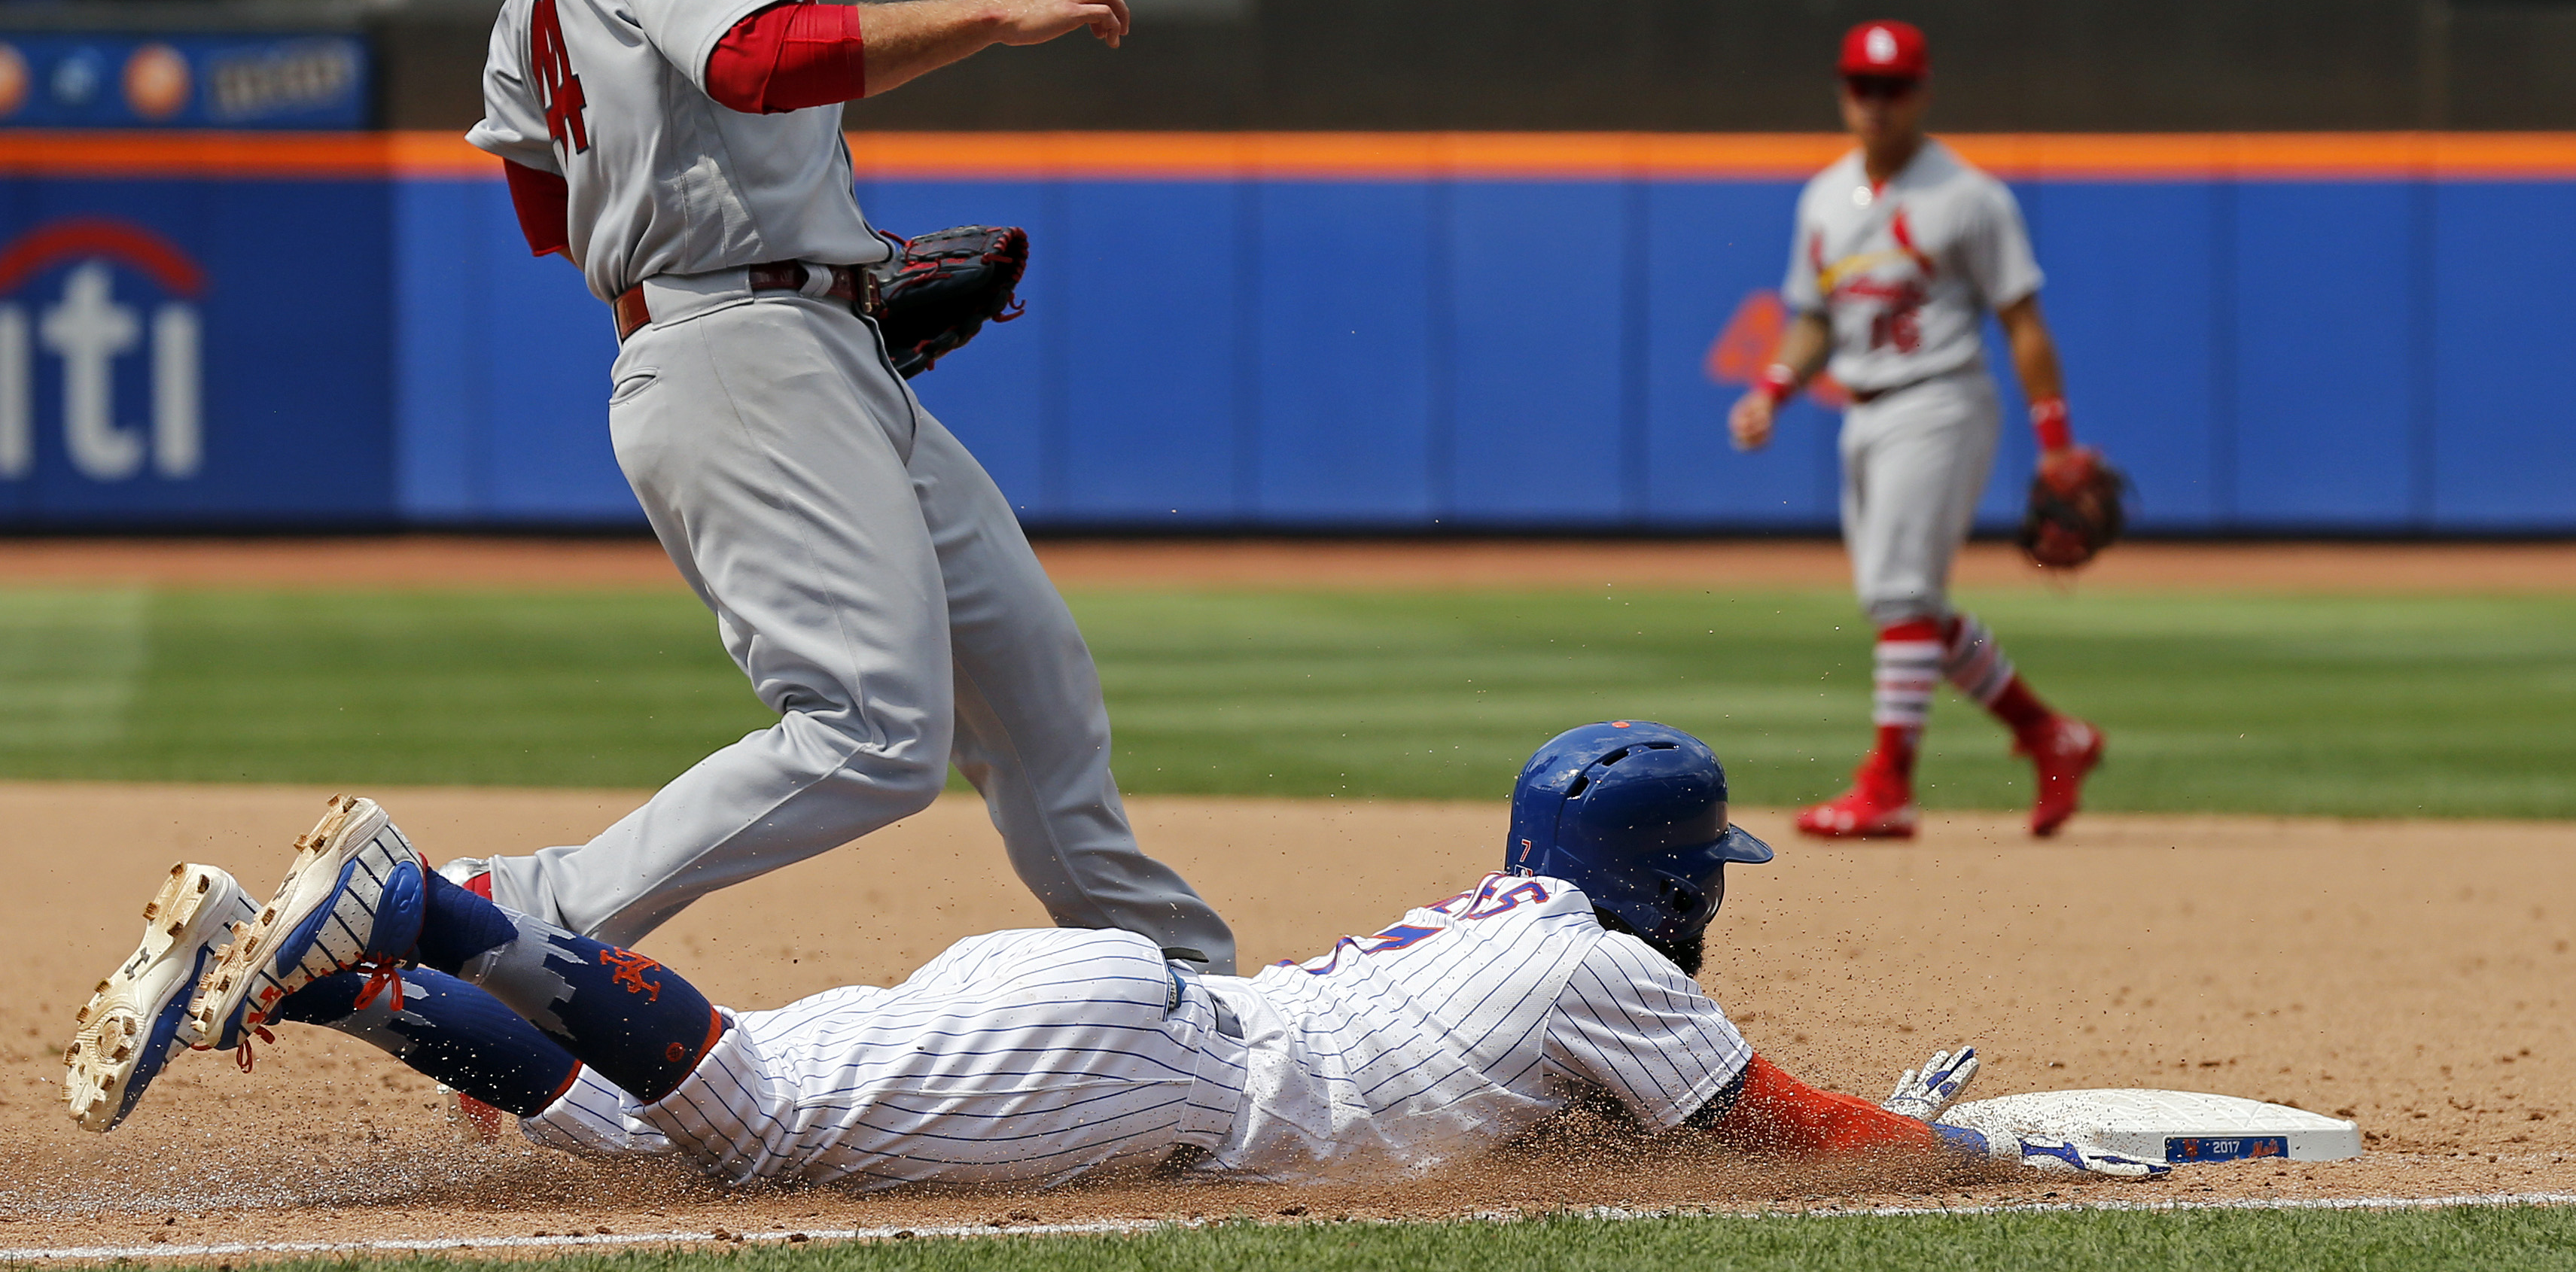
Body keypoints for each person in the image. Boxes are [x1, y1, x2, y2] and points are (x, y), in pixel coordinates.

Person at [453, 0, 1230, 969]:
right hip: (742, 346)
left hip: (784, 338)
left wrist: (782, 269)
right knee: (873, 733)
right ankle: (518, 916)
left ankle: (1185, 992)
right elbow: (756, 56)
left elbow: (530, 166)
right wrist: (993, 18)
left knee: (1029, 677)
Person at [68, 725, 2163, 1189]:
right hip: (1151, 1070)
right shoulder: (1623, 980)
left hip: (1126, 1025)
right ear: (1662, 875)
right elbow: (1799, 1138)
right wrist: (1969, 1158)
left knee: (676, 1127)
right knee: (756, 1126)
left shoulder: (1522, 923)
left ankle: (373, 951)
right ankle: (387, 929)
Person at [1728, 22, 2106, 842]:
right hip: (1861, 413)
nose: (1875, 101)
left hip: (1939, 400)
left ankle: (1887, 783)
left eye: (1892, 86)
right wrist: (1773, 386)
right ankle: (2049, 734)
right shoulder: (1823, 198)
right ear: (1841, 92)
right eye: (1861, 86)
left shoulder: (1966, 197)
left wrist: (2055, 441)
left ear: (1922, 92)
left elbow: (2023, 321)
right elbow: (1811, 320)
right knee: (1901, 604)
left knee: (1899, 595)